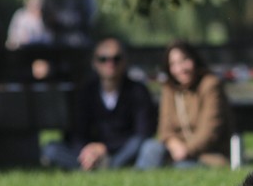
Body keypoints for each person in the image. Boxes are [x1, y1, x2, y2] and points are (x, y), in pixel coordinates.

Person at [42, 38, 156, 170]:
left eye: (116, 59)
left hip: (121, 152)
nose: (110, 63)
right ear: (95, 63)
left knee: (145, 145)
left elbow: (143, 133)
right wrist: (89, 150)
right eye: (103, 59)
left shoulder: (138, 91)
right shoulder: (86, 91)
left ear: (125, 61)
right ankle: (88, 166)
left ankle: (110, 167)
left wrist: (105, 148)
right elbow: (76, 132)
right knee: (51, 149)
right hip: (89, 152)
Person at [135, 40, 233, 169]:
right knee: (150, 147)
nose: (180, 69)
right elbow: (164, 128)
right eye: (173, 64)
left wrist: (186, 150)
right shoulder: (169, 88)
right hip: (176, 150)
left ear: (194, 59)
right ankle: (140, 183)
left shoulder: (210, 85)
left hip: (206, 154)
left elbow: (209, 131)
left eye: (184, 60)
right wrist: (173, 143)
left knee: (183, 167)